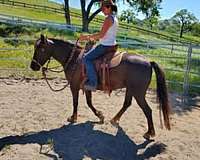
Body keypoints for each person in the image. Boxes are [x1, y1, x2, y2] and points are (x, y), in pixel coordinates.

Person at [79, 0, 118, 91]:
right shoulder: (114, 18)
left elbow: (101, 35)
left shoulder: (108, 19)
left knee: (86, 58)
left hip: (105, 45)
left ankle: (93, 83)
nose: (102, 11)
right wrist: (93, 38)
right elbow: (106, 34)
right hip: (111, 44)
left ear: (109, 8)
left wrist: (86, 37)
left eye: (103, 8)